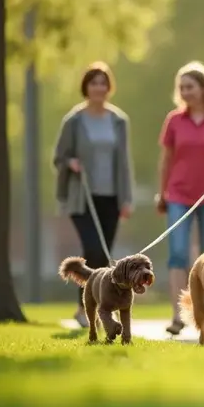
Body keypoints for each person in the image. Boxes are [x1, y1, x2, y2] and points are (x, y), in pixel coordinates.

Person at [52, 62, 135, 328]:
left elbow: (124, 162)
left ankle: (96, 307)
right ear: (85, 87)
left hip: (111, 196)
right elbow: (58, 157)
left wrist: (127, 198)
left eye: (103, 83)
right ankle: (83, 307)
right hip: (82, 196)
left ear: (108, 87)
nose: (98, 87)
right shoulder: (74, 121)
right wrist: (71, 163)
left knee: (103, 253)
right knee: (93, 251)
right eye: (93, 83)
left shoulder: (119, 120)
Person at [156, 61, 204, 335]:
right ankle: (177, 315)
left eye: (190, 86)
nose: (185, 92)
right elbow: (165, 160)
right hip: (178, 194)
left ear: (203, 88)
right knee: (177, 253)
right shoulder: (174, 120)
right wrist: (162, 192)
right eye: (182, 87)